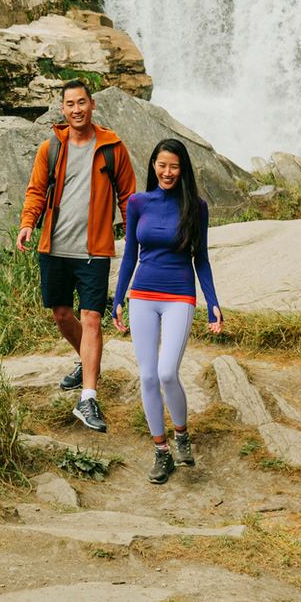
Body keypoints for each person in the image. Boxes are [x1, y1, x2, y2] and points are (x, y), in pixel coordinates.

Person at [15, 80, 136, 432]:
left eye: (82, 102)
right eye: (70, 104)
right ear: (63, 109)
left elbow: (127, 196)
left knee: (92, 318)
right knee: (61, 314)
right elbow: (36, 189)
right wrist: (27, 224)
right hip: (54, 246)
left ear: (92, 104)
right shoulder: (51, 147)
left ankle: (88, 398)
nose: (77, 109)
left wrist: (133, 234)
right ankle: (87, 360)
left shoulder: (112, 147)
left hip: (93, 250)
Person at [110, 137, 223, 483]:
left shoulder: (196, 207)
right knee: (146, 375)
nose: (167, 172)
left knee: (167, 373)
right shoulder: (137, 202)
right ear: (153, 166)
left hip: (179, 296)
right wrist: (116, 299)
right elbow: (130, 253)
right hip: (141, 295)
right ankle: (161, 452)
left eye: (174, 166)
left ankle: (182, 435)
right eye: (162, 165)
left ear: (183, 169)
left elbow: (200, 259)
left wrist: (213, 303)